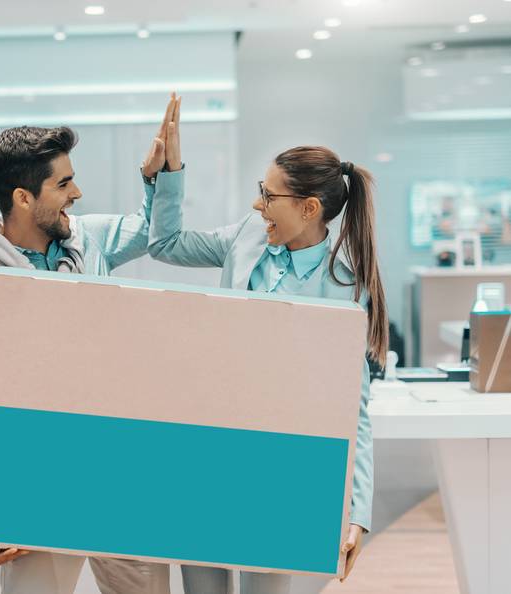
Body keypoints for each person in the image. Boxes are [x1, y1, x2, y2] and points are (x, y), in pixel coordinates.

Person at [147, 100, 382, 593]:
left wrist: (355, 511)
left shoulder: (343, 290)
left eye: (268, 195)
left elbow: (351, 408)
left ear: (309, 207)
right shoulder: (246, 239)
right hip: (207, 453)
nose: (258, 205)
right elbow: (165, 244)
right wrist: (168, 176)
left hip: (281, 468)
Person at [0, 97, 183, 594]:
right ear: (21, 197)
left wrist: (160, 177)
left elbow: (152, 229)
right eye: (62, 183)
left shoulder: (87, 241)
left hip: (119, 471)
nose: (77, 192)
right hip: (36, 480)